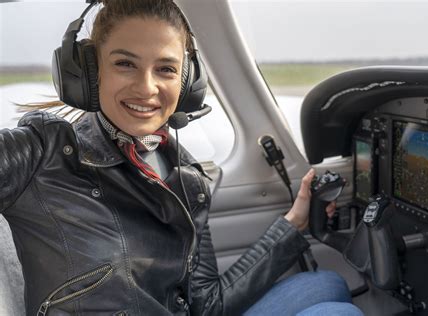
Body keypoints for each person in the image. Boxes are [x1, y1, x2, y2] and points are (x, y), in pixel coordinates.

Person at [0, 0, 364, 315]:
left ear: (187, 83)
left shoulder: (187, 178)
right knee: (337, 311)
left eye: (165, 69)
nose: (146, 87)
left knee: (326, 284)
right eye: (125, 64)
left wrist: (294, 224)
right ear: (89, 73)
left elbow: (206, 306)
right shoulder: (43, 151)